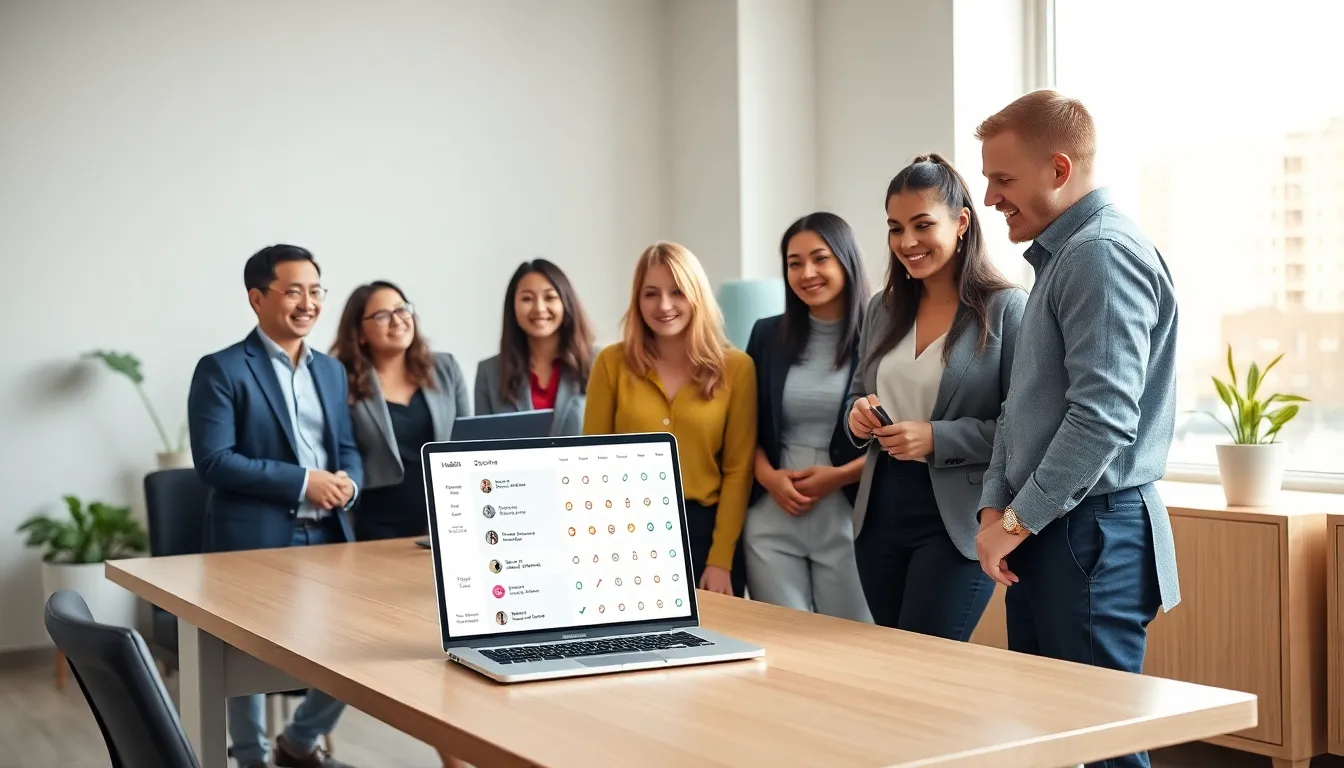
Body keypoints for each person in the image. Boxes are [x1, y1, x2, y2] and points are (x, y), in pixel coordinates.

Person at [973, 90, 1179, 768]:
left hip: (1092, 533)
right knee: (1051, 741)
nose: (990, 196)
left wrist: (1015, 519)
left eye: (1002, 179)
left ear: (1057, 170)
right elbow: (1024, 407)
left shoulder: (1100, 254)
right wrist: (996, 508)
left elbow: (1102, 418)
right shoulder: (1059, 259)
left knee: (1103, 748)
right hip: (1053, 529)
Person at [187, 244, 360, 768]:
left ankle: (300, 742)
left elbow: (344, 447)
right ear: (257, 298)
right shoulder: (221, 369)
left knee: (357, 653)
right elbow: (215, 461)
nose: (307, 303)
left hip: (329, 537)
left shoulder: (330, 371)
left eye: (315, 291)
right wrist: (303, 482)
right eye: (293, 291)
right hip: (253, 541)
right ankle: (250, 758)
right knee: (245, 660)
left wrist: (348, 483)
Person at [845, 155, 1027, 638]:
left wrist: (937, 438)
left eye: (922, 224)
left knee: (930, 667)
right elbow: (859, 394)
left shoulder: (1005, 309)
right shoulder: (882, 308)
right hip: (878, 516)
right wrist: (858, 417)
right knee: (894, 669)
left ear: (962, 221)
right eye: (895, 227)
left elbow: (1024, 426)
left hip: (955, 523)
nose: (907, 242)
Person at [583, 241, 756, 596]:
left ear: (697, 295)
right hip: (626, 531)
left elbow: (739, 470)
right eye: (651, 293)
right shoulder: (610, 364)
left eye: (677, 292)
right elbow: (590, 461)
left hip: (704, 534)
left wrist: (720, 559)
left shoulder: (737, 368)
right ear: (637, 300)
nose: (664, 305)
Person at [742, 212, 872, 621]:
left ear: (845, 261)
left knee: (853, 643)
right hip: (771, 518)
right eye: (794, 263)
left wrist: (838, 476)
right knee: (782, 650)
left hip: (848, 517)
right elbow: (744, 429)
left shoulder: (881, 334)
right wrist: (768, 478)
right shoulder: (765, 335)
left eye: (820, 258)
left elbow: (897, 438)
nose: (807, 273)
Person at [331, 281, 470, 541]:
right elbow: (342, 452)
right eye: (382, 315)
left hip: (445, 518)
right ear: (359, 332)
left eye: (402, 310)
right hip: (377, 525)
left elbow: (467, 440)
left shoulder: (445, 367)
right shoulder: (343, 381)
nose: (397, 321)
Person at [475, 259, 597, 435]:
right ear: (513, 306)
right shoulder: (489, 372)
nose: (539, 308)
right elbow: (482, 448)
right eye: (527, 299)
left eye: (550, 297)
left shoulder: (599, 363)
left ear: (566, 302)